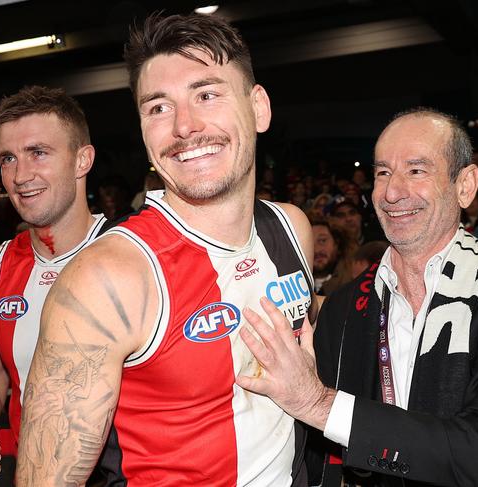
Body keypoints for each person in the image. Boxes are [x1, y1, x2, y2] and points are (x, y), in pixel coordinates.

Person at [16, 13, 316, 487]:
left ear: (258, 108)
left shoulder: (291, 227)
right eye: (158, 107)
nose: (185, 127)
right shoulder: (110, 277)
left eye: (207, 94)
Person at [236, 108, 478, 487]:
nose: (392, 192)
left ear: (465, 185)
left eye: (416, 170)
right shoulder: (343, 308)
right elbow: (321, 456)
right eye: (383, 173)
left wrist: (319, 404)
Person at [0, 85, 107, 480]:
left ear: (81, 160)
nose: (21, 175)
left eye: (38, 152)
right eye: (8, 158)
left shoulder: (135, 256)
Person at [312, 220, 354, 296]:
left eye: (322, 240)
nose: (316, 250)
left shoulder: (353, 278)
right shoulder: (299, 285)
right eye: (310, 243)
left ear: (336, 243)